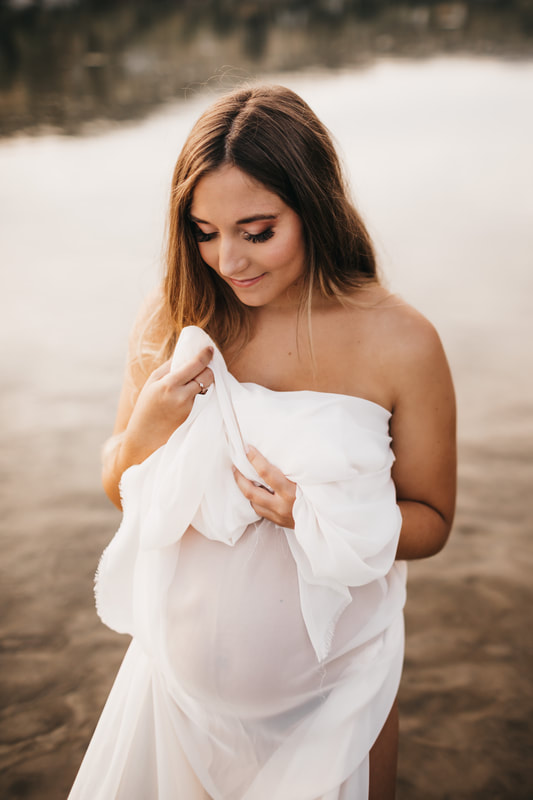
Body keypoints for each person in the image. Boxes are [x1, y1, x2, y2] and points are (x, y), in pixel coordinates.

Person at [68, 85, 456, 800]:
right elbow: (116, 482)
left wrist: (310, 515)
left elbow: (430, 522)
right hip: (174, 701)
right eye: (203, 231)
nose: (228, 260)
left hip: (332, 702)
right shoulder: (177, 313)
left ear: (313, 208)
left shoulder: (401, 342)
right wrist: (151, 424)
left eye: (256, 230)